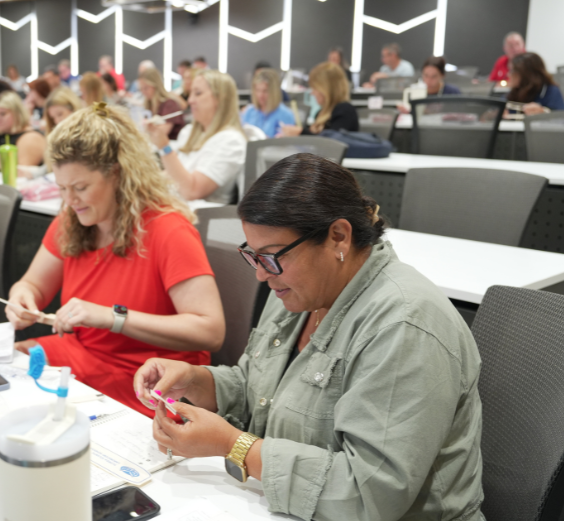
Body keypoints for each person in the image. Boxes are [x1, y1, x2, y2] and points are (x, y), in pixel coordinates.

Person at [134, 153, 484, 520]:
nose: (261, 275)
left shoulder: (405, 325)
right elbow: (261, 389)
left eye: (271, 257)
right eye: (254, 256)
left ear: (338, 237)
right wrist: (197, 381)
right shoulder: (298, 290)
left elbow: (370, 494)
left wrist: (235, 447)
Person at [7, 102, 225, 416]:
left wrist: (113, 317)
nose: (70, 200)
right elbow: (31, 285)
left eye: (81, 187)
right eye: (62, 188)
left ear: (118, 174)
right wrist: (21, 298)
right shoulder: (71, 221)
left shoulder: (167, 230)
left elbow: (210, 331)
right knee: (4, 381)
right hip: (85, 360)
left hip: (148, 382)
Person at [148, 69, 246, 203]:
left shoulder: (231, 141)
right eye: (190, 93)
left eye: (198, 93)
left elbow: (191, 191)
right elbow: (172, 175)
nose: (190, 100)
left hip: (196, 214)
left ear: (220, 98)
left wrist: (164, 147)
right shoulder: (188, 133)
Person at [278, 62, 358, 136]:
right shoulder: (321, 113)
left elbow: (332, 142)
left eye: (315, 88)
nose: (312, 93)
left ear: (326, 89)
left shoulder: (345, 111)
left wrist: (300, 132)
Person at [241, 68, 296, 138]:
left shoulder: (286, 115)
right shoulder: (249, 111)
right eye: (258, 90)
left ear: (274, 92)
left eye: (265, 91)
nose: (260, 95)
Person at [139, 68, 186, 140]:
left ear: (156, 86)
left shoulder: (169, 104)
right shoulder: (150, 104)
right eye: (141, 89)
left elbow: (161, 134)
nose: (143, 92)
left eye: (146, 88)